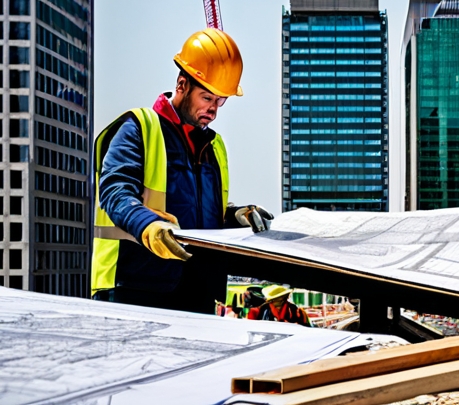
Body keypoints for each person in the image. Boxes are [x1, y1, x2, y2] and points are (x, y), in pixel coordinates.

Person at [91, 28, 273, 314]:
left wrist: (235, 216)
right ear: (182, 85)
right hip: (135, 287)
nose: (213, 110)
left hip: (196, 290)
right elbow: (115, 192)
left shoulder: (213, 147)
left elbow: (199, 217)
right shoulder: (139, 127)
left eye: (220, 101)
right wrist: (148, 226)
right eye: (207, 98)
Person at [247, 285, 312, 326]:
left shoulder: (295, 310)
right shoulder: (263, 309)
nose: (272, 301)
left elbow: (304, 327)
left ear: (283, 298)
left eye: (275, 298)